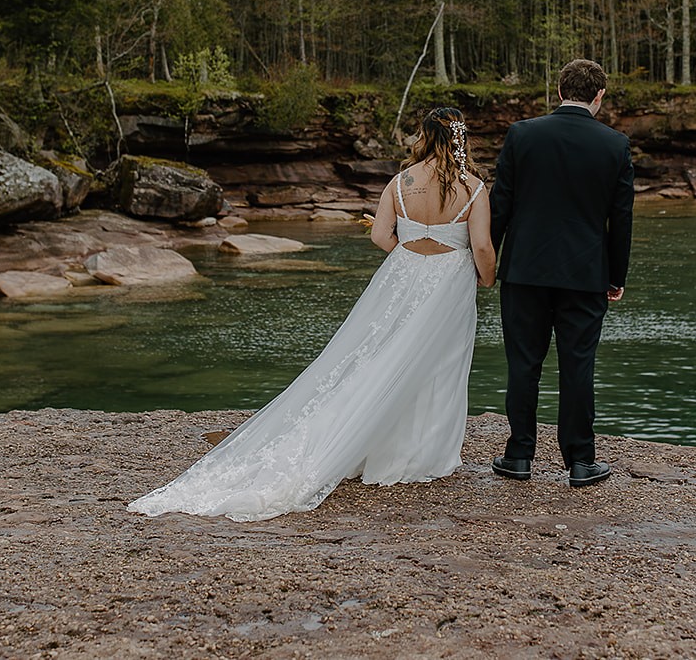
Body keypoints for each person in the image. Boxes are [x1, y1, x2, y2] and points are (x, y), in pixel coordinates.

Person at [128, 107, 496, 522]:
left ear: (425, 137)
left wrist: (412, 259)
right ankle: (422, 454)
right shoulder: (474, 187)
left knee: (376, 358)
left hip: (402, 280)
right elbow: (481, 246)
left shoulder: (400, 182)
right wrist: (485, 279)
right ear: (460, 139)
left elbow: (380, 235)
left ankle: (359, 438)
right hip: (449, 285)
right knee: (440, 366)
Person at [489, 58, 633, 487]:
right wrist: (616, 277)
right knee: (578, 366)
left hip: (524, 271)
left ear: (559, 90)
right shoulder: (615, 144)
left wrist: (487, 262)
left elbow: (501, 204)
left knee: (523, 364)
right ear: (599, 96)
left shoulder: (522, 134)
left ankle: (518, 456)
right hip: (585, 274)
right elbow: (620, 218)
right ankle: (581, 462)